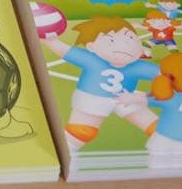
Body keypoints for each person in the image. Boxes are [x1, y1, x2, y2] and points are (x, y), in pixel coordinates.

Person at [41, 16, 159, 151]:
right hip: (93, 97)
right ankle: (61, 151)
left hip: (126, 97)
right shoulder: (90, 59)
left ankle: (168, 145)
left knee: (157, 127)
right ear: (91, 46)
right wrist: (51, 40)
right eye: (111, 40)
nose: (126, 45)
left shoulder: (138, 66)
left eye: (131, 38)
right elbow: (64, 50)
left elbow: (167, 74)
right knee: (81, 131)